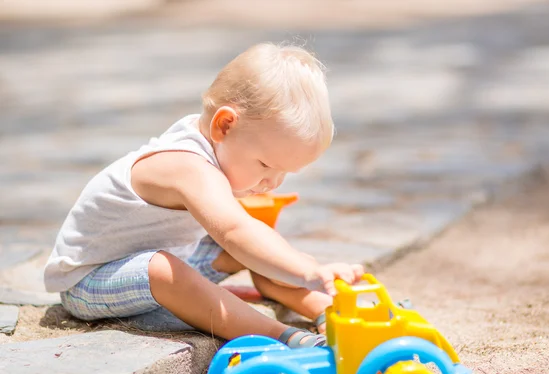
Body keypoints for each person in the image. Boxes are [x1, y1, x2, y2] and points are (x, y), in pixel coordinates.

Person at [44, 42, 364, 348]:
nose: (273, 183)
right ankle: (279, 335)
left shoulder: (211, 143)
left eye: (284, 173)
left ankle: (324, 307)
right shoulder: (186, 165)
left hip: (173, 256)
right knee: (170, 266)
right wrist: (306, 271)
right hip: (90, 282)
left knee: (257, 248)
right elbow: (235, 230)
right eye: (266, 165)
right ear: (224, 125)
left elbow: (248, 239)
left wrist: (307, 270)